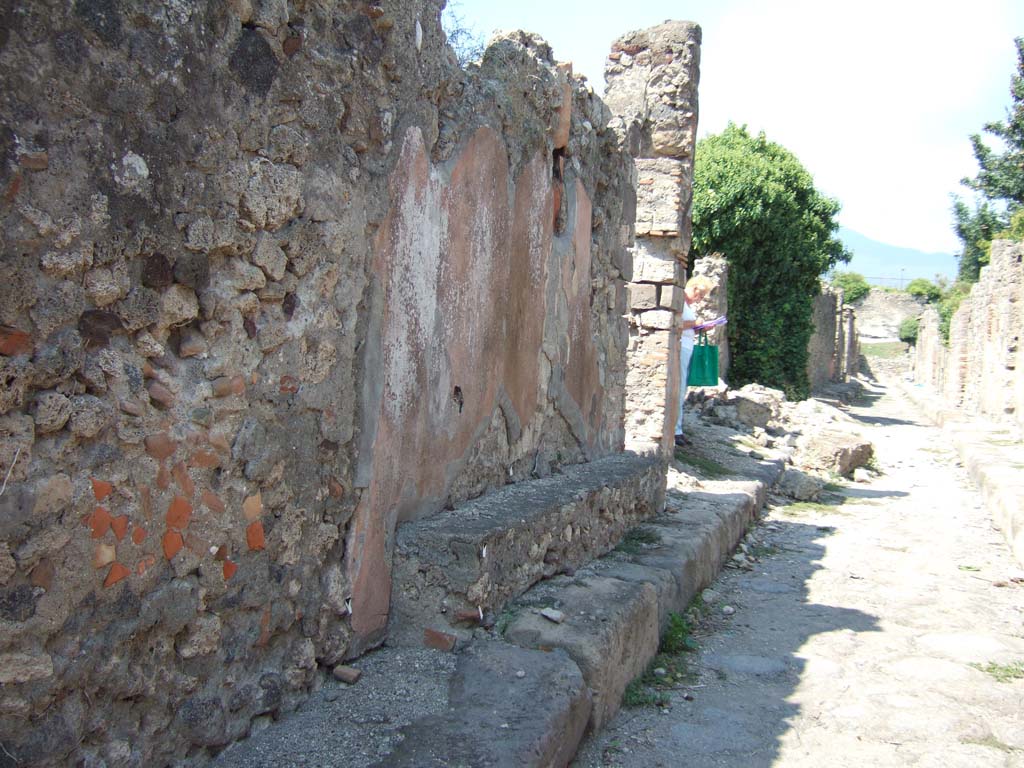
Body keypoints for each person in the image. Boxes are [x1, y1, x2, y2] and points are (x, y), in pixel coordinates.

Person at [675, 274, 714, 447]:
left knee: (682, 387)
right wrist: (694, 323)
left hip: (687, 347)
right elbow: (676, 324)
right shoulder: (679, 302)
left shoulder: (686, 305)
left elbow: (687, 329)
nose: (700, 300)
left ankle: (678, 428)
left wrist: (699, 328)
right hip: (682, 348)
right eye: (700, 295)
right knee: (680, 386)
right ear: (695, 288)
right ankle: (676, 430)